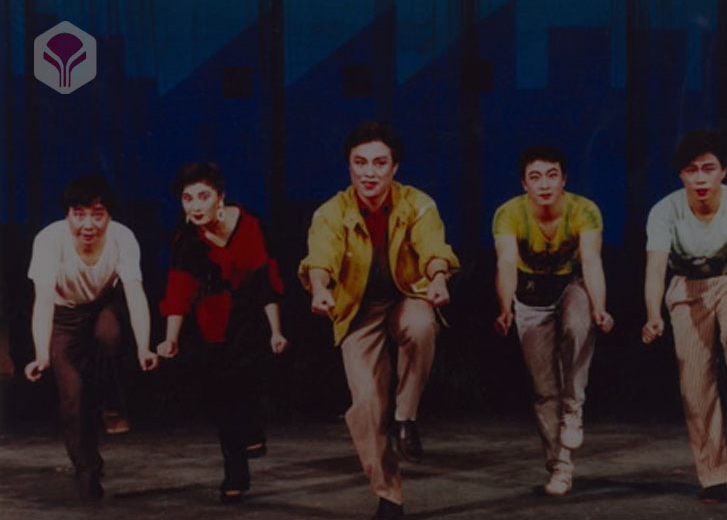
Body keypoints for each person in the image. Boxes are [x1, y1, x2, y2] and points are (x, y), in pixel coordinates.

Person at [299, 121, 459, 520]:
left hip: (408, 294)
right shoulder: (331, 212)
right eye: (360, 163)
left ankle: (406, 417)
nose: (369, 172)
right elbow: (321, 256)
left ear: (394, 167)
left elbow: (433, 248)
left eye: (379, 163)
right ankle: (389, 496)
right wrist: (320, 288)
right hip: (358, 308)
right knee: (367, 404)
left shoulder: (418, 203)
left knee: (421, 325)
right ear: (349, 166)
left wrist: (438, 278)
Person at [642, 130, 727, 503]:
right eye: (691, 170)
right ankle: (713, 475)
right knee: (695, 384)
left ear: (723, 171)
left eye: (708, 168)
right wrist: (653, 315)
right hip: (688, 288)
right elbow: (655, 268)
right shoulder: (664, 211)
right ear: (681, 175)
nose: (700, 178)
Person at [156, 161, 289, 503]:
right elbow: (178, 291)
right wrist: (170, 339)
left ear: (221, 197)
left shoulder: (251, 225)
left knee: (247, 383)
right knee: (222, 397)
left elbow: (267, 281)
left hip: (252, 318)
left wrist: (276, 330)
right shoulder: (187, 240)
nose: (195, 206)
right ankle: (236, 472)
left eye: (203, 196)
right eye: (187, 199)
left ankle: (253, 428)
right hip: (212, 324)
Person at [24, 174, 159, 501]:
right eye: (79, 214)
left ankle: (111, 402)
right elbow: (43, 301)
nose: (88, 224)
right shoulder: (49, 240)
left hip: (103, 305)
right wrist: (41, 353)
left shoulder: (122, 237)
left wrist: (144, 347)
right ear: (67, 215)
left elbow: (135, 293)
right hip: (64, 315)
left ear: (109, 216)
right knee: (72, 394)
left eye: (97, 215)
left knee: (109, 334)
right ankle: (87, 468)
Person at [492, 144, 614, 497]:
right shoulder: (508, 213)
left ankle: (574, 407)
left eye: (551, 175)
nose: (544, 184)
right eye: (535, 177)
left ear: (564, 179)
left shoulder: (584, 210)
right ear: (524, 183)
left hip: (570, 285)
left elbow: (591, 261)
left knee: (579, 323)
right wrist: (504, 308)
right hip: (529, 294)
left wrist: (600, 307)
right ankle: (560, 466)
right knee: (544, 390)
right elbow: (506, 263)